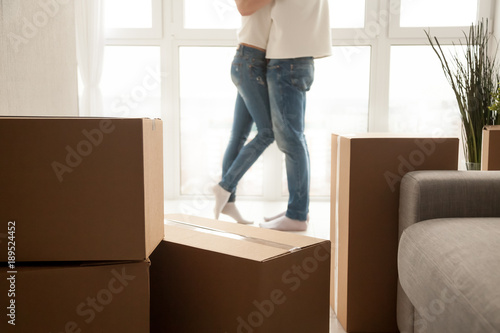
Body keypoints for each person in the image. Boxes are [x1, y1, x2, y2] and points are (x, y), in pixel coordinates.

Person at [259, 0, 332, 231]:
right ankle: (297, 210)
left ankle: (297, 215)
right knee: (294, 139)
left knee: (291, 141)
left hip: (287, 61)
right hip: (296, 60)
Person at [212, 0, 274, 224]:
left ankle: (228, 203)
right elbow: (243, 7)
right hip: (249, 62)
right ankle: (225, 187)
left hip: (256, 63)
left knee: (238, 136)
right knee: (268, 132)